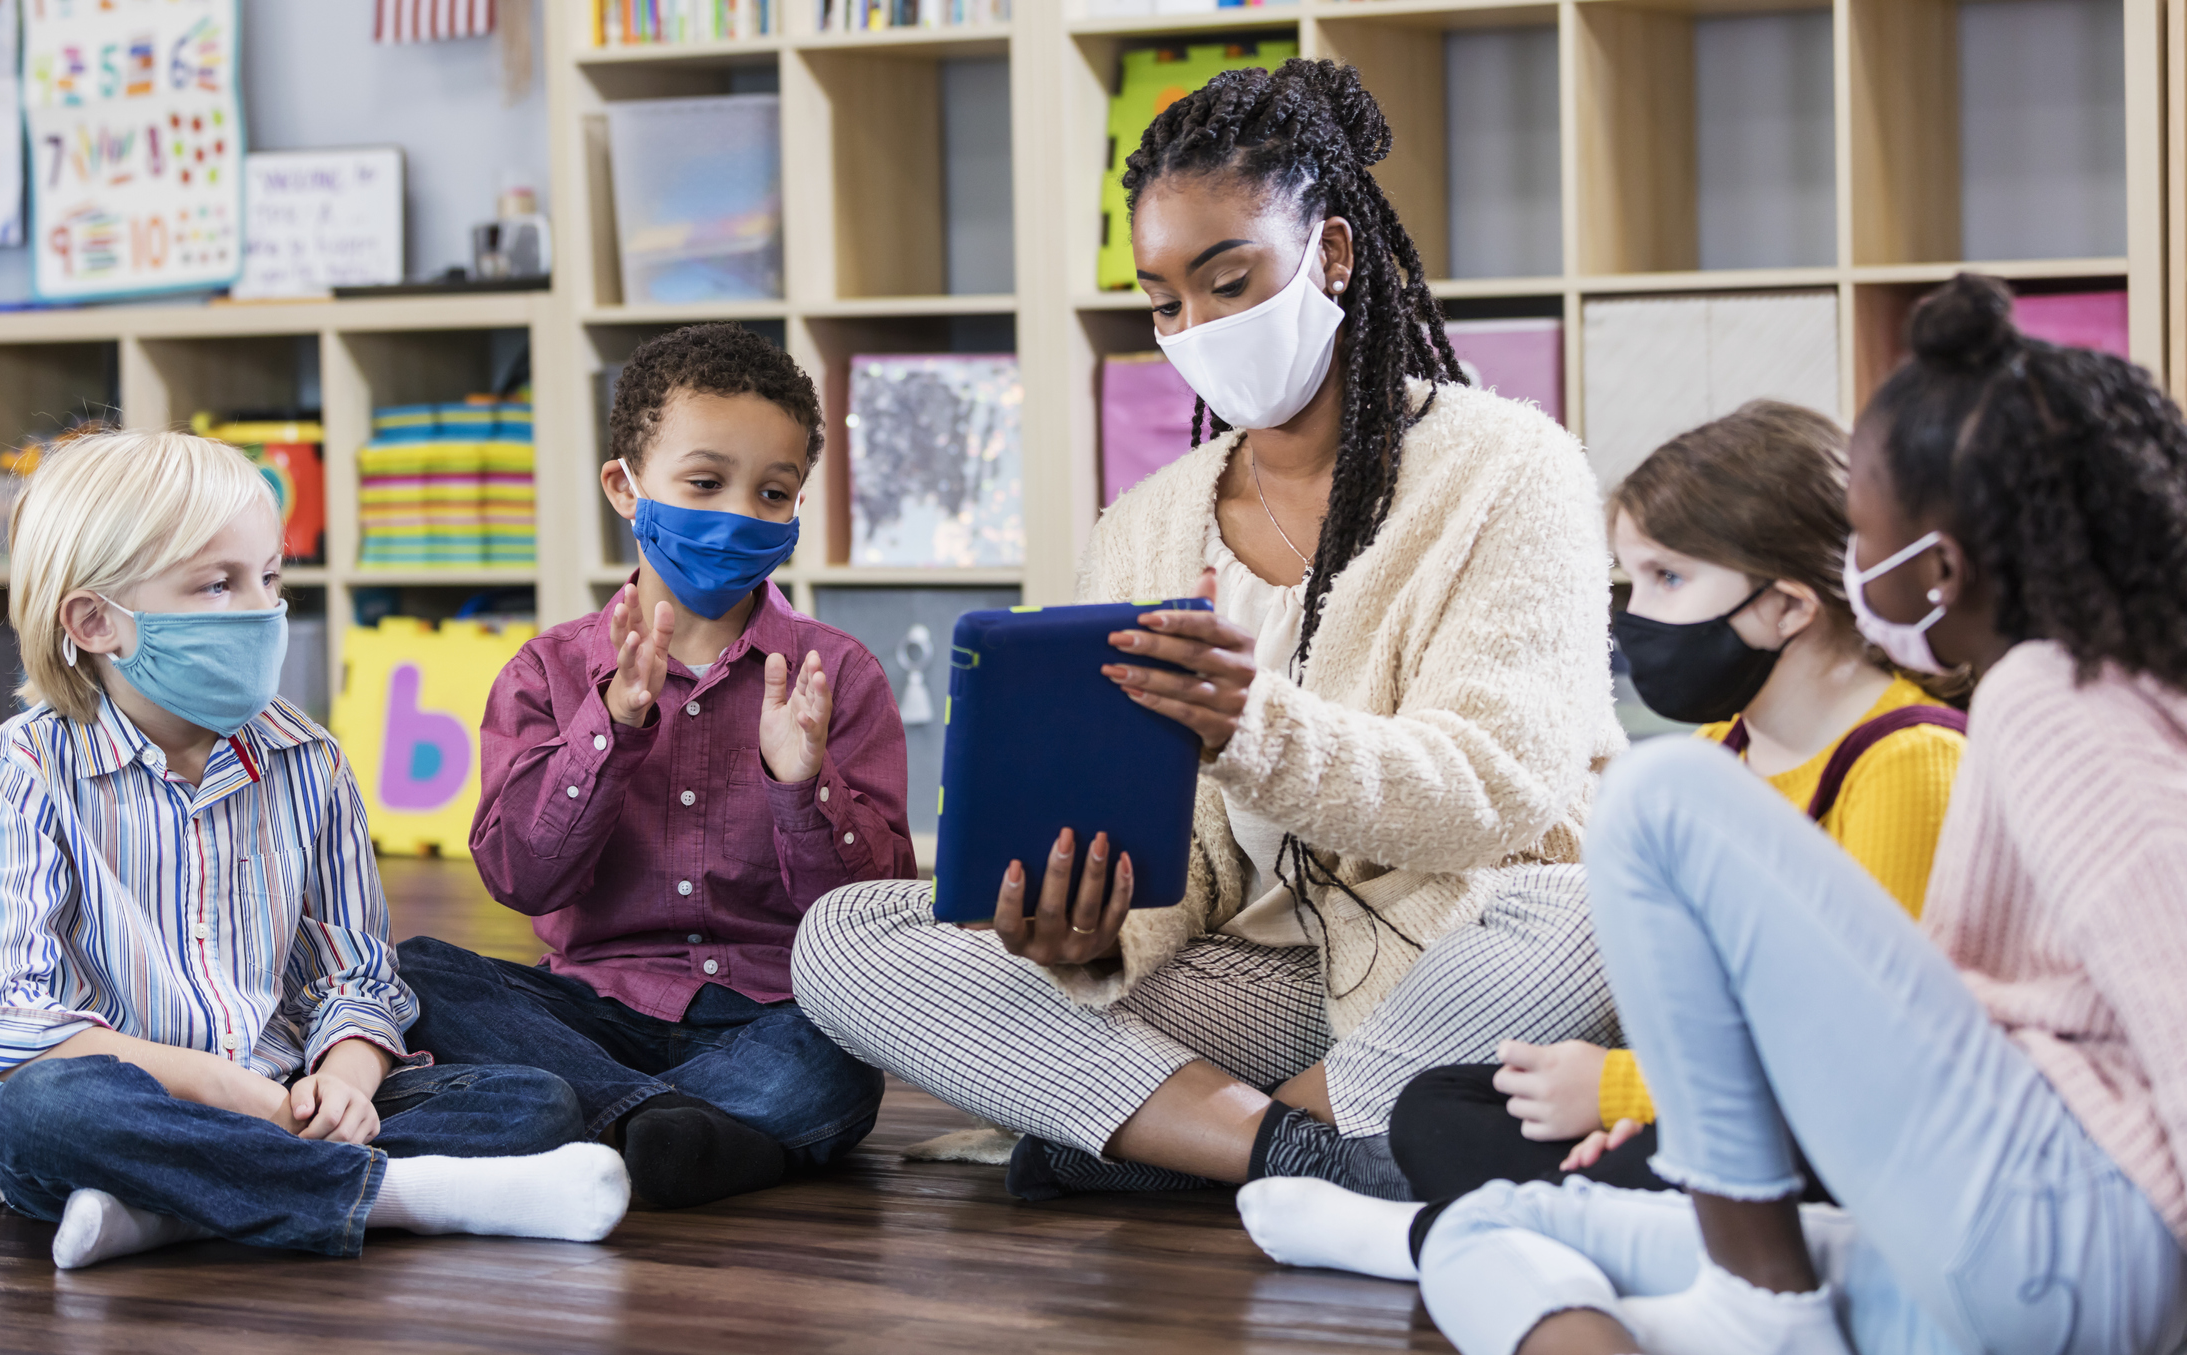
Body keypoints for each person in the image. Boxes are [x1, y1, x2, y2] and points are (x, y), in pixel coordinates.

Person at [1241, 273, 2187, 1355]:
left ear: (1937, 569)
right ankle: (1481, 1247)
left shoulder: (2049, 700)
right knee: (1490, 1228)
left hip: (2070, 1232)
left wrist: (1628, 1094)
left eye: (1862, 544)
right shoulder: (2094, 684)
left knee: (1653, 794)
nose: (1852, 572)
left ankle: (1753, 1303)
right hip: (2015, 1245)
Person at [792, 59, 1622, 1203]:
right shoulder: (1143, 528)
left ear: (1330, 255)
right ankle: (1301, 1154)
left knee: (1587, 911)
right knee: (845, 936)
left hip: (1461, 942)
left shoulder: (1505, 467)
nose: (1197, 328)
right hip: (1250, 969)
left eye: (1230, 282)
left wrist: (1255, 726)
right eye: (1166, 301)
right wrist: (1083, 934)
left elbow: (1500, 790)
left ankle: (1145, 1128)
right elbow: (1177, 861)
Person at [0, 431, 627, 1270]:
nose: (262, 608)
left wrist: (346, 1080)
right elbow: (9, 1019)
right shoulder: (20, 767)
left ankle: (170, 1208)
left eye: (270, 577)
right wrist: (219, 1088)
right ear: (96, 620)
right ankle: (405, 1198)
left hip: (283, 1098)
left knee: (532, 1102)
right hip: (128, 1102)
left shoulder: (307, 757)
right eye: (219, 583)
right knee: (48, 1113)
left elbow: (358, 975)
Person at [1366, 401, 1966, 1219]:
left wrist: (1625, 1091)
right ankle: (1583, 1221)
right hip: (1725, 1095)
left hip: (1849, 1123)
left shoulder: (1907, 762)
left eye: (1667, 578)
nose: (1632, 613)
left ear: (1787, 606)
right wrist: (1650, 1104)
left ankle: (1536, 1225)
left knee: (1658, 1151)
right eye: (1631, 576)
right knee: (1436, 1108)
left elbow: (1864, 1055)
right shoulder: (1724, 748)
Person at [397, 323, 907, 1211]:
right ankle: (681, 1133)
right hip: (591, 1011)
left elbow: (875, 912)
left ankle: (595, 1125)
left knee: (834, 1066)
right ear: (624, 489)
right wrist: (611, 728)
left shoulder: (838, 674)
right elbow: (520, 877)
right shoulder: (546, 672)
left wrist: (802, 785)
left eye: (773, 492)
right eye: (704, 483)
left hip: (769, 1017)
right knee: (413, 974)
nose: (738, 514)